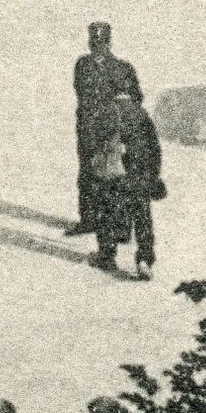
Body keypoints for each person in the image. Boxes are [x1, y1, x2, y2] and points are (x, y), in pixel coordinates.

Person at [72, 22, 143, 237]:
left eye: (102, 43)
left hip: (112, 129)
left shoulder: (124, 68)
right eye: (94, 43)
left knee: (114, 176)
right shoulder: (82, 65)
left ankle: (114, 226)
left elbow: (136, 97)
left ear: (109, 43)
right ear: (89, 42)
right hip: (88, 128)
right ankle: (88, 220)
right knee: (86, 172)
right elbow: (81, 92)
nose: (97, 47)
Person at [91, 93, 165, 280]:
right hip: (139, 175)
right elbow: (155, 149)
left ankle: (107, 256)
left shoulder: (106, 113)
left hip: (115, 175)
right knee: (143, 218)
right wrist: (153, 176)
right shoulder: (142, 115)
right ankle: (144, 260)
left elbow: (95, 147)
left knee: (109, 213)